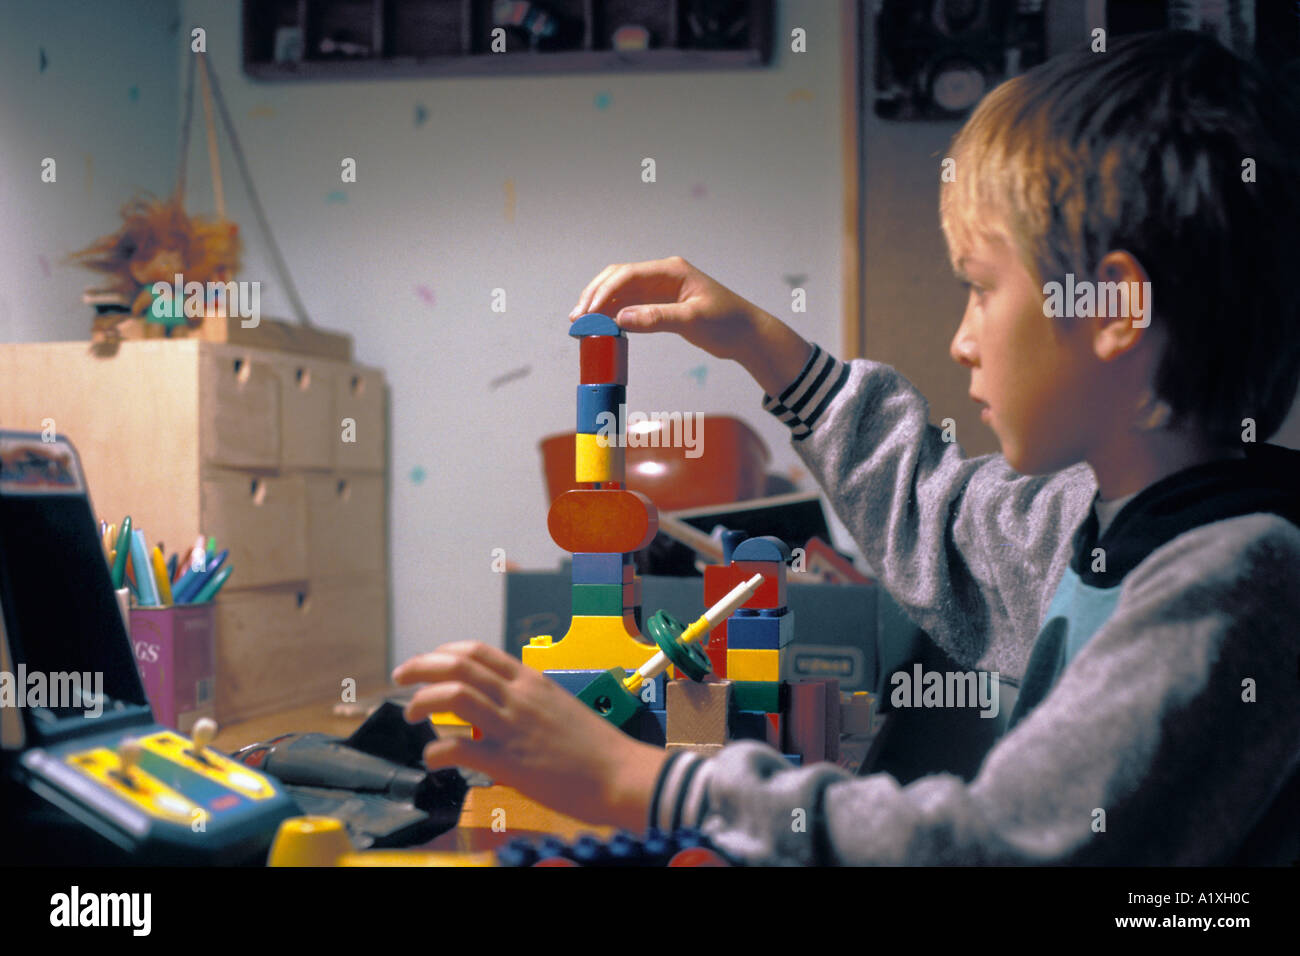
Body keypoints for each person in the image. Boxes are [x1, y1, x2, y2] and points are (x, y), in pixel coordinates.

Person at [393, 31, 1300, 864]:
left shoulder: (1236, 580)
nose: (962, 339)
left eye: (980, 289)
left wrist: (640, 782)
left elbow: (986, 846)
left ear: (1112, 310)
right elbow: (932, 513)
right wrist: (761, 344)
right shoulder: (1087, 515)